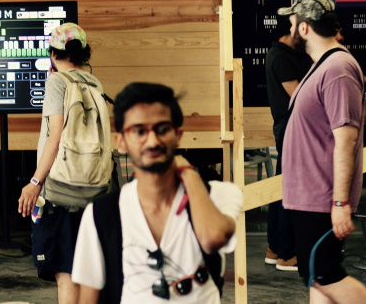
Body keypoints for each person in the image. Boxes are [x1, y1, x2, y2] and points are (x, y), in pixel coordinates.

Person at [71, 82, 242, 304]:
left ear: (178, 135)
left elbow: (213, 238)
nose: (152, 141)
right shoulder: (101, 214)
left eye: (162, 129)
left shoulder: (219, 194)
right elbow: (88, 298)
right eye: (139, 131)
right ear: (121, 142)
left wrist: (189, 173)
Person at [279, 0, 366, 304]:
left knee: (326, 275)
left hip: (321, 197)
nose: (289, 29)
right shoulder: (323, 65)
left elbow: (346, 139)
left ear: (304, 27)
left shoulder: (337, 68)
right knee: (317, 280)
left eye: (292, 23)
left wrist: (339, 201)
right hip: (308, 196)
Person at [17, 22, 102, 304]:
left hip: (60, 190)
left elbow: (55, 137)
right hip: (92, 187)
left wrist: (34, 182)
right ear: (84, 54)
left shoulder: (56, 82)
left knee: (64, 273)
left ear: (53, 54)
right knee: (82, 271)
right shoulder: (93, 83)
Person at [263, 14, 311, 272]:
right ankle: (287, 254)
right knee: (289, 191)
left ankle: (274, 248)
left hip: (287, 129)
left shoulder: (283, 55)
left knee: (281, 188)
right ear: (289, 30)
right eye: (297, 26)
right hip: (292, 130)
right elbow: (299, 96)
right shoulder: (281, 57)